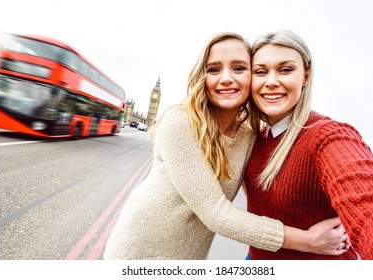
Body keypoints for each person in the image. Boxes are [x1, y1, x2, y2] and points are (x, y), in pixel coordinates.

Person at [104, 32, 349, 260]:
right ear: (202, 76)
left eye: (239, 68)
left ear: (252, 75)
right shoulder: (180, 121)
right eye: (214, 69)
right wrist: (308, 241)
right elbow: (216, 213)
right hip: (138, 251)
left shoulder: (250, 134)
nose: (226, 78)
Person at [245, 30, 373, 260]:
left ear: (305, 76)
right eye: (261, 72)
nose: (271, 82)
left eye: (286, 69)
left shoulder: (327, 136)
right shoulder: (257, 139)